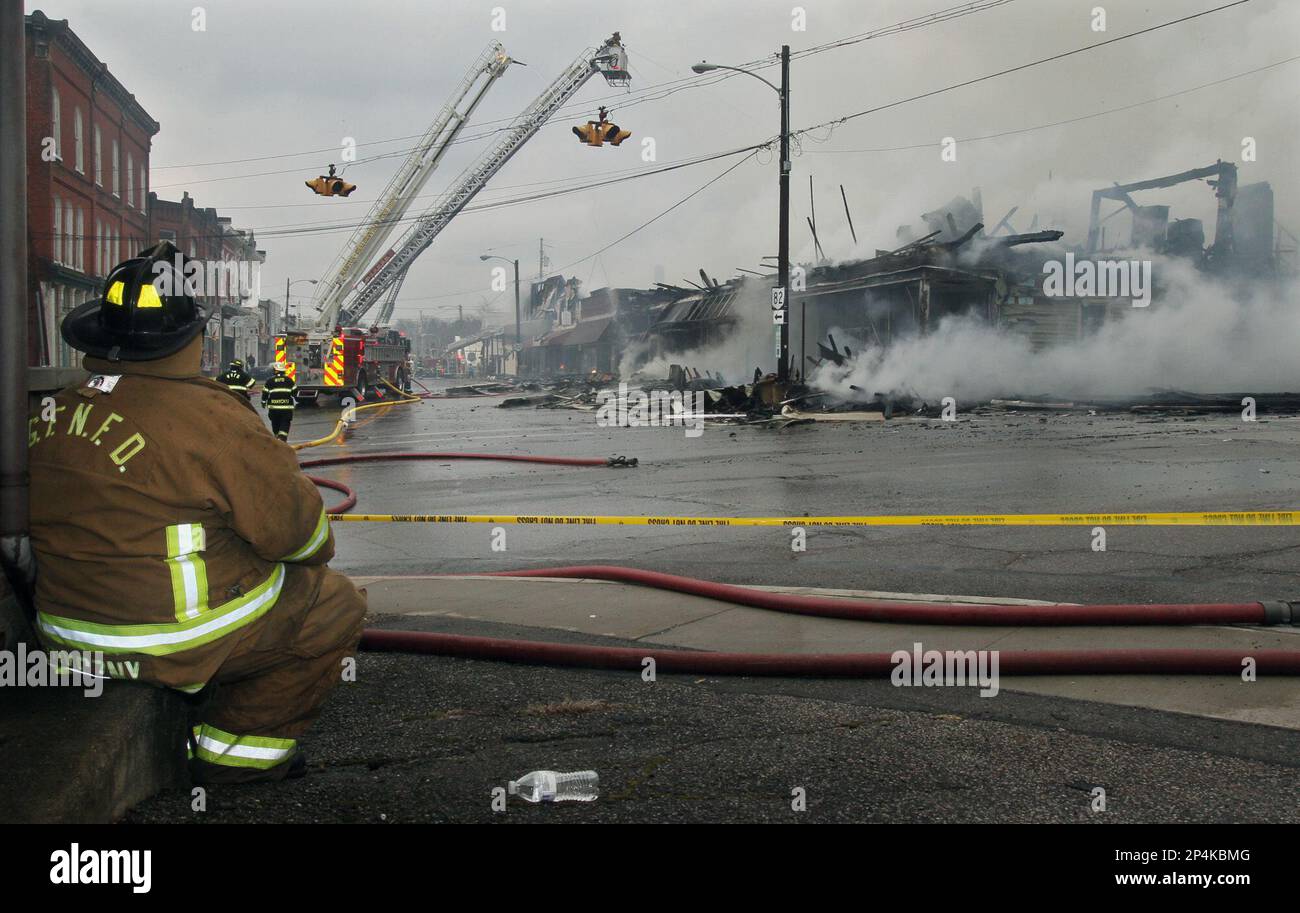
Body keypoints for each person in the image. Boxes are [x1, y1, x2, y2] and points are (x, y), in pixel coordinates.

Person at [27, 241, 367, 785]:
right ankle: (234, 757)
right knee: (333, 602)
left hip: (64, 640)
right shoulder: (214, 419)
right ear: (192, 338)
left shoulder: (55, 409)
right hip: (163, 645)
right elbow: (302, 539)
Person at [261, 366, 298, 442]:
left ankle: (277, 438)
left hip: (273, 409)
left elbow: (265, 393)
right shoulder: (289, 380)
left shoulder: (269, 381)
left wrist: (263, 402)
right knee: (285, 423)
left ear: (276, 371)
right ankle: (281, 439)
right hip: (286, 408)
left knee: (275, 423)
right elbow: (295, 392)